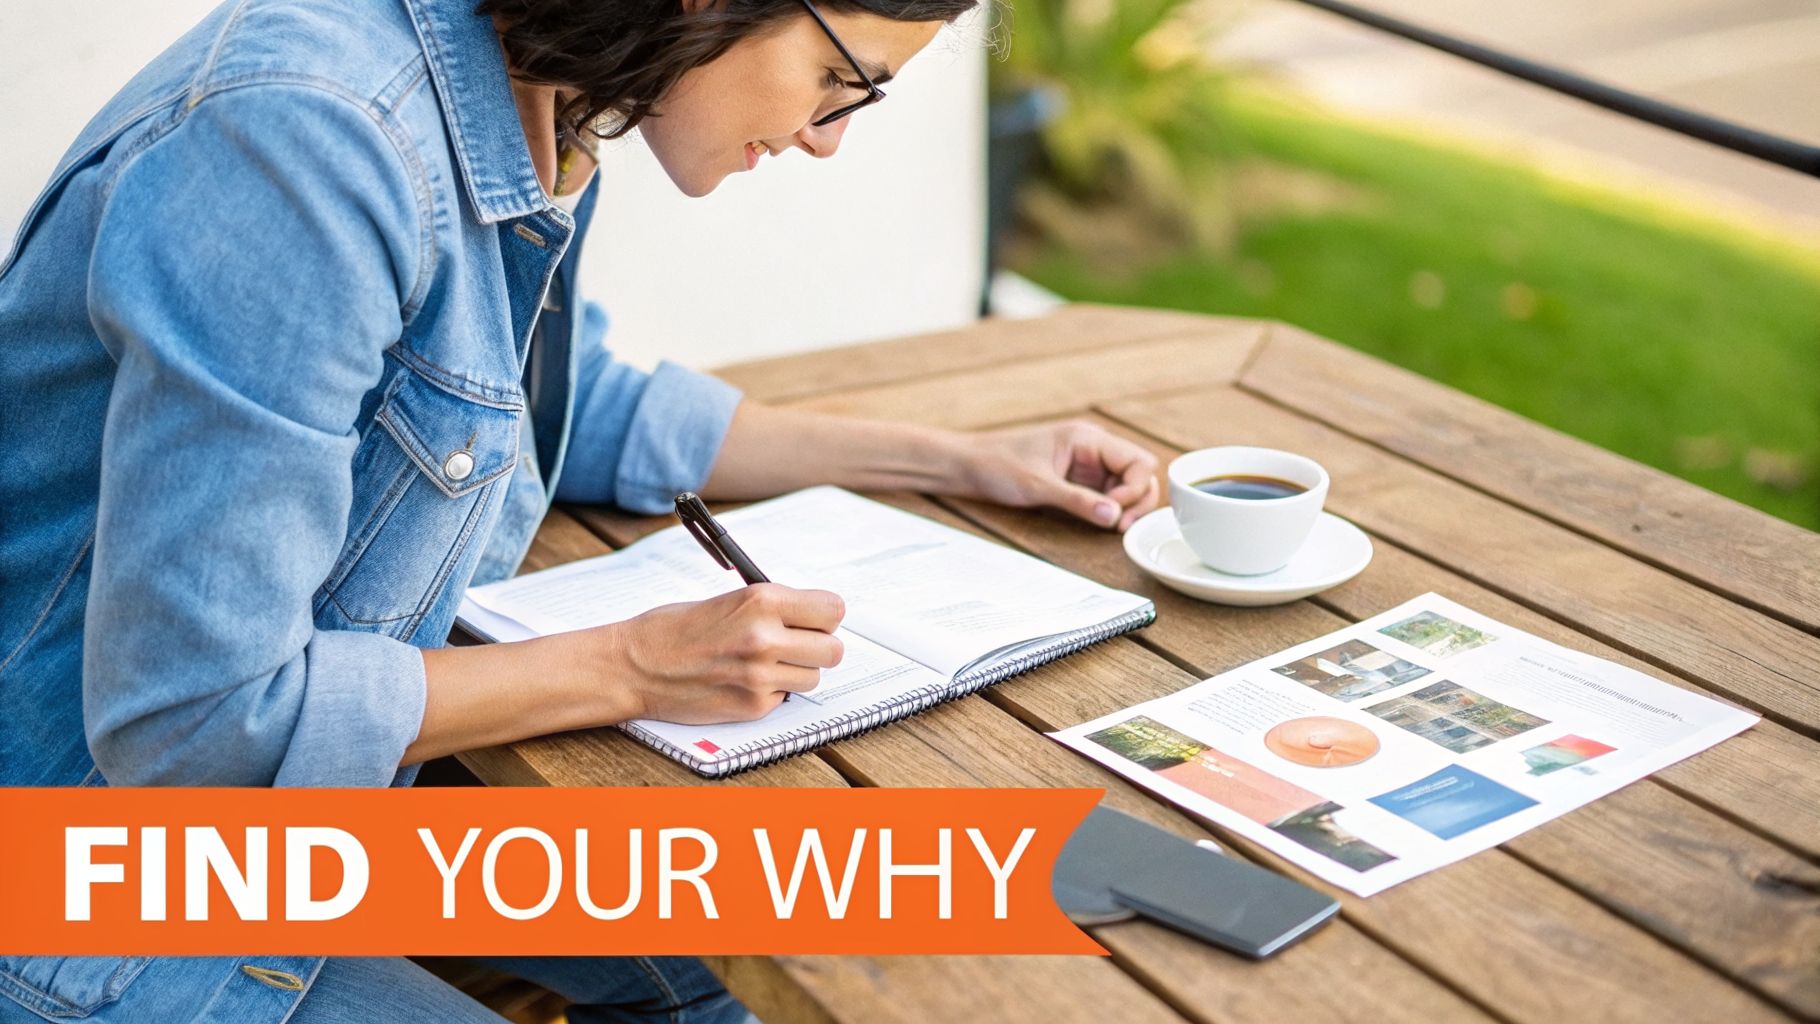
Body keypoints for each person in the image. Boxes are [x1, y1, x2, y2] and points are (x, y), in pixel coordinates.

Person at [0, 0, 1161, 1018]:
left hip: (297, 827)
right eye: (839, 79)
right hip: (91, 871)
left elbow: (560, 403)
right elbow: (198, 720)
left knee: (744, 954)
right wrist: (635, 669)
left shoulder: (526, 92)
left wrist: (961, 462)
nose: (826, 138)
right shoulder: (309, 142)